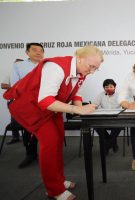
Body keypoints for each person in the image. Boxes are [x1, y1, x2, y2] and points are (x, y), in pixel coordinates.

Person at [4, 45, 103, 200]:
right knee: (50, 143)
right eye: (91, 67)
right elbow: (44, 100)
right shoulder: (55, 67)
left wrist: (81, 111)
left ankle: (59, 181)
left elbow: (75, 92)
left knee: (57, 142)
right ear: (80, 58)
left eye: (96, 68)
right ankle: (53, 190)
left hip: (53, 108)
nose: (92, 71)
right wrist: (78, 110)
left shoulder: (81, 71)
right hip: (32, 107)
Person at [10, 44, 44, 168]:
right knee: (29, 130)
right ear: (27, 52)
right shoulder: (18, 66)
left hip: (45, 102)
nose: (38, 53)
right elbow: (15, 85)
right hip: (27, 103)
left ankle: (47, 156)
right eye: (34, 50)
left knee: (46, 130)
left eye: (41, 51)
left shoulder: (48, 65)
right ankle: (30, 154)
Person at [92, 79, 122, 154]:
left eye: (111, 87)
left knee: (119, 126)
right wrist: (93, 107)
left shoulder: (120, 96)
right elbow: (95, 105)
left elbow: (125, 106)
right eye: (106, 87)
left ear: (115, 87)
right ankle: (113, 144)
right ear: (104, 88)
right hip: (104, 118)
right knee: (96, 126)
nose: (109, 89)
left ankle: (106, 146)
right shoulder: (100, 95)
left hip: (116, 118)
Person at [1, 59, 24, 145]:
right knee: (14, 120)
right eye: (16, 64)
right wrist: (16, 85)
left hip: (26, 100)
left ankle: (30, 137)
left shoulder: (27, 74)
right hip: (13, 100)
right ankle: (15, 137)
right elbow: (3, 85)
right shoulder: (10, 74)